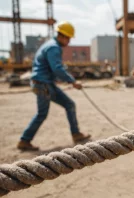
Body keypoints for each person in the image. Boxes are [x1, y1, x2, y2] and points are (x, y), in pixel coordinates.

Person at [17, 21, 91, 151]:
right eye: (69, 39)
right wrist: (73, 81)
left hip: (45, 83)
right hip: (43, 84)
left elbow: (52, 69)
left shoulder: (50, 45)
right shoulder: (54, 48)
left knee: (69, 104)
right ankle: (24, 140)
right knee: (42, 114)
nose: (69, 42)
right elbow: (57, 68)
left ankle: (76, 134)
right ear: (63, 36)